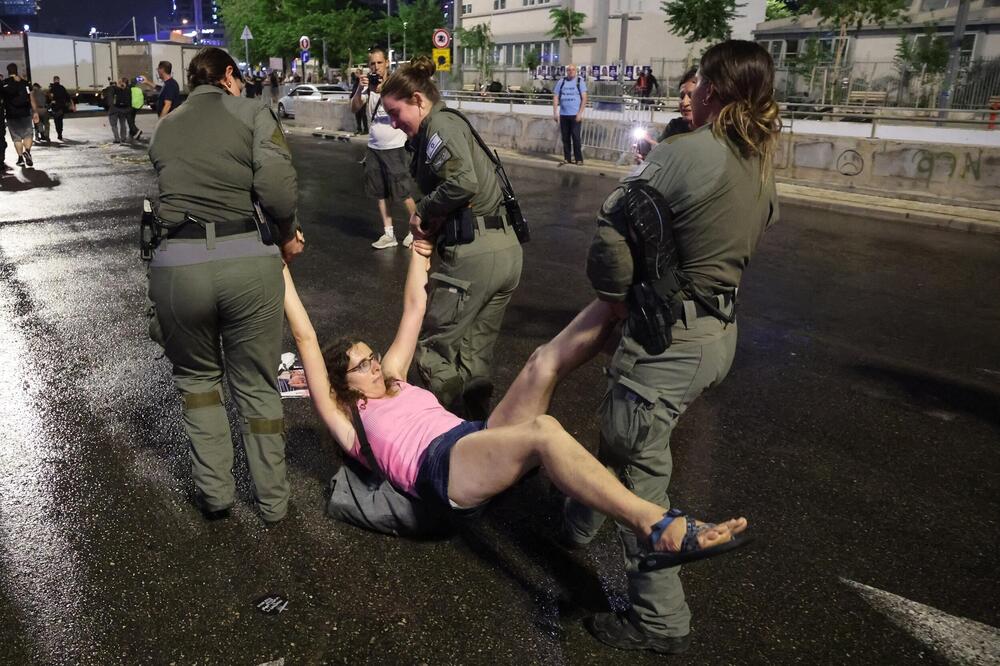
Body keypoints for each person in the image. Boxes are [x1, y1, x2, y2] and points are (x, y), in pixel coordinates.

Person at [281, 241, 749, 583]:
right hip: (442, 470)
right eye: (362, 365)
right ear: (343, 384)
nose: (374, 364)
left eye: (372, 356)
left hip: (472, 438)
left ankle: (621, 297)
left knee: (542, 362)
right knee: (543, 431)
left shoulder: (395, 376)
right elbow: (305, 338)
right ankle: (655, 525)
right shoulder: (350, 422)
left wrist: (421, 245)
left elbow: (414, 307)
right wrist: (277, 266)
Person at [562, 40, 781, 655]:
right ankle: (577, 523)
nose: (694, 91)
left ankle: (659, 621)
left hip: (668, 341)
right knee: (624, 432)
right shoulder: (757, 156)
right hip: (716, 332)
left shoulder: (688, 151)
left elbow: (611, 230)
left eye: (701, 82)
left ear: (713, 89)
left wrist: (615, 299)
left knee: (640, 472)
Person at [146, 46, 306, 523]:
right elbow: (277, 189)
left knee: (198, 384)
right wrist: (287, 234)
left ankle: (216, 496)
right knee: (256, 385)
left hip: (177, 266)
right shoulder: (252, 112)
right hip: (246, 262)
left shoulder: (165, 126)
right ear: (230, 76)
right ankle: (273, 502)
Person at [380, 57, 523, 420]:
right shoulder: (446, 124)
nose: (394, 123)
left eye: (396, 113)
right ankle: (476, 433)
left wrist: (423, 212)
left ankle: (443, 434)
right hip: (504, 251)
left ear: (417, 100)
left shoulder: (439, 125)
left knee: (433, 352)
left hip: (474, 254)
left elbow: (463, 182)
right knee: (474, 356)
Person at [350, 48, 418, 250]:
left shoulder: (396, 84)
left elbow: (406, 108)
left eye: (379, 63)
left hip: (395, 146)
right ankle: (389, 234)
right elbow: (354, 108)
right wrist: (360, 89)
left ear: (386, 63)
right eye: (372, 63)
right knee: (380, 192)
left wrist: (384, 90)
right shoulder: (367, 86)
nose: (376, 67)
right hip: (374, 146)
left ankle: (416, 231)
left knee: (403, 192)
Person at [634, 66, 698, 161]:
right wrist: (647, 159)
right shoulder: (675, 126)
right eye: (682, 97)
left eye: (691, 95)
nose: (684, 102)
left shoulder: (716, 133)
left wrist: (660, 153)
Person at [1, 63, 40, 167]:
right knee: (28, 135)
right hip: (25, 113)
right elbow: (32, 99)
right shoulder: (25, 83)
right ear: (16, 70)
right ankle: (27, 151)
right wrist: (35, 112)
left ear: (8, 71)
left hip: (11, 115)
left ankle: (20, 158)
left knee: (16, 138)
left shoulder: (3, 84)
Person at [552, 64, 588, 166]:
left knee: (576, 138)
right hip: (563, 115)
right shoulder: (561, 82)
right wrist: (555, 112)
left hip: (575, 115)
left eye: (572, 70)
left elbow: (584, 98)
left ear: (576, 71)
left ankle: (579, 159)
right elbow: (556, 97)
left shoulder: (579, 81)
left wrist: (580, 113)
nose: (570, 71)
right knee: (565, 138)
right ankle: (567, 158)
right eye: (568, 70)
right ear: (566, 71)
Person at [49, 76, 74, 141]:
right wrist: (69, 104)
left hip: (55, 107)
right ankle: (60, 133)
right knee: (60, 120)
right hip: (61, 107)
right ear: (59, 80)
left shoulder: (52, 88)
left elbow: (50, 98)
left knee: (56, 121)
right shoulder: (62, 88)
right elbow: (67, 96)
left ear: (54, 80)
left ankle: (58, 132)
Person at [108, 77, 131, 143]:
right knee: (123, 124)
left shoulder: (114, 89)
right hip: (123, 110)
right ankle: (123, 138)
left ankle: (117, 139)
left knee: (114, 125)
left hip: (114, 110)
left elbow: (109, 97)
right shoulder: (128, 90)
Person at [350, 70, 368, 135]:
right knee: (357, 115)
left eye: (357, 73)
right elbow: (354, 90)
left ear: (360, 74)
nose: (356, 74)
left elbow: (365, 89)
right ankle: (359, 129)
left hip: (362, 99)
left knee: (363, 115)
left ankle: (366, 129)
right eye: (356, 73)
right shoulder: (356, 81)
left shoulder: (363, 80)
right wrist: (351, 97)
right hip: (356, 99)